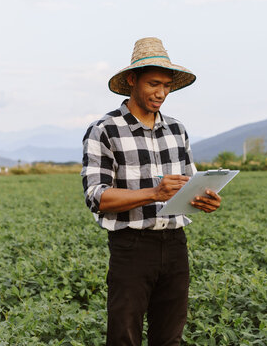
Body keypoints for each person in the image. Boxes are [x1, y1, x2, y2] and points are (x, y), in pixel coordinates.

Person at [81, 37, 222, 346]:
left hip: (174, 244)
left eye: (167, 86)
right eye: (154, 84)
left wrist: (204, 199)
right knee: (124, 337)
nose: (161, 93)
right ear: (132, 80)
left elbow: (189, 183)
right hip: (131, 246)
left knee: (170, 338)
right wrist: (154, 193)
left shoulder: (176, 129)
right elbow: (97, 196)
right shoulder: (104, 129)